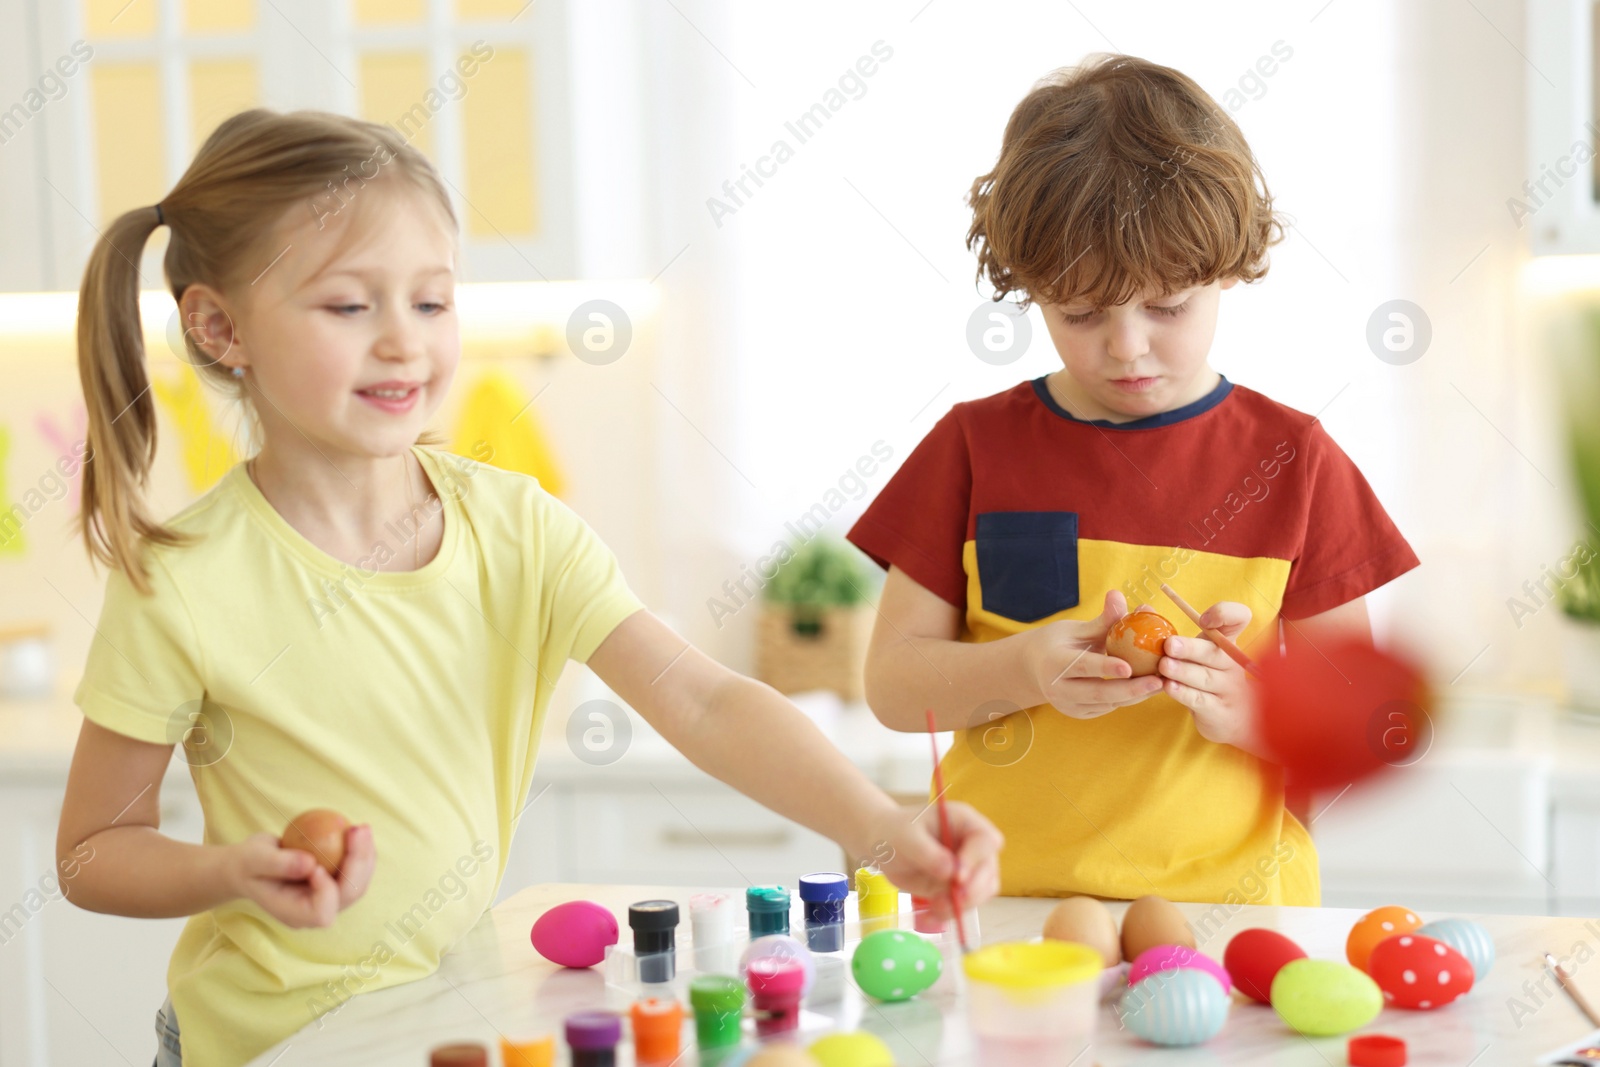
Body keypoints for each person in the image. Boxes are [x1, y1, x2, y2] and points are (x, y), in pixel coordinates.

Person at [55, 109, 1003, 1067]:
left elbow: (702, 697)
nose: (403, 343)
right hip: (260, 1045)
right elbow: (92, 848)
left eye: (431, 302)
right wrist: (233, 873)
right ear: (221, 328)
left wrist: (880, 826)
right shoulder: (182, 576)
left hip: (437, 1019)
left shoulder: (516, 527)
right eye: (350, 306)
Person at [847, 55, 1419, 906]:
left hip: (1227, 912)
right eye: (1079, 313)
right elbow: (894, 687)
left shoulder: (1297, 460)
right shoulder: (972, 445)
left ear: (1228, 269)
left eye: (1166, 306)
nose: (1125, 346)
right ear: (1029, 289)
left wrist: (1255, 711)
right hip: (1008, 907)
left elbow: (1363, 728)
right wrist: (1021, 667)